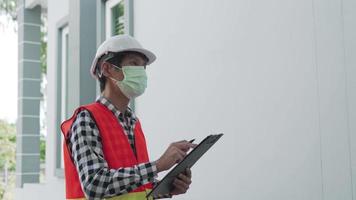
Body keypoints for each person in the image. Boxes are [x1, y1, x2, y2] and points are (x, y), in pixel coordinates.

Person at [61, 35, 196, 200]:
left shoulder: (133, 122)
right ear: (107, 69)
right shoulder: (86, 119)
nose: (141, 72)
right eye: (134, 63)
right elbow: (94, 185)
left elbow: (135, 188)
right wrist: (158, 165)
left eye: (143, 67)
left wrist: (168, 188)